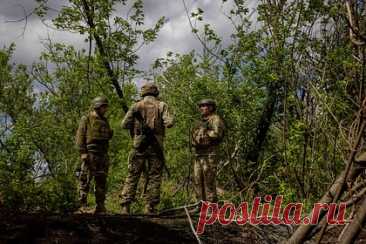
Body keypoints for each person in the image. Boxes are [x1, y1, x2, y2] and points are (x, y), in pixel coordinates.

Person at [120, 83, 174, 214]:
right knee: (155, 176)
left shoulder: (136, 105)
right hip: (156, 146)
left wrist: (138, 125)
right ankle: (150, 207)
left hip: (139, 145)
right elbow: (170, 123)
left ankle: (125, 206)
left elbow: (124, 124)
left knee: (133, 174)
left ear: (143, 93)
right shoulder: (162, 105)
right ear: (156, 93)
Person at [75, 96, 113, 214]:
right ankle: (82, 205)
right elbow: (80, 136)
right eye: (103, 106)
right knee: (85, 180)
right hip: (90, 153)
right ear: (97, 106)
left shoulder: (104, 120)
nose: (105, 109)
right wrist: (83, 152)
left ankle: (100, 206)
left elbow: (107, 135)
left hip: (102, 154)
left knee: (101, 181)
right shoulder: (86, 119)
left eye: (105, 106)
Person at [191, 99, 225, 203]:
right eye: (200, 106)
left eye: (204, 106)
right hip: (199, 154)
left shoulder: (215, 119)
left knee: (208, 180)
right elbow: (193, 135)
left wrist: (206, 132)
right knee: (197, 179)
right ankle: (200, 204)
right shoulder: (200, 121)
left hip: (210, 154)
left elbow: (218, 134)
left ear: (211, 107)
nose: (201, 108)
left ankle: (211, 206)